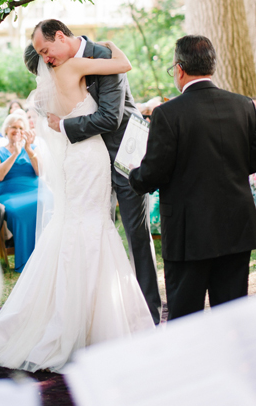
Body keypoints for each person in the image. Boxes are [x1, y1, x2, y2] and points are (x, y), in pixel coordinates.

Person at [0, 35, 154, 372]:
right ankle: (95, 318)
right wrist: (114, 46)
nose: (50, 57)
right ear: (47, 59)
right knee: (95, 227)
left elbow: (60, 131)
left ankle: (73, 313)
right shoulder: (73, 67)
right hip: (92, 157)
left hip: (77, 161)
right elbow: (121, 67)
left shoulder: (39, 97)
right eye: (45, 54)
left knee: (79, 226)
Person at [31, 19, 162, 324]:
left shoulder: (104, 56)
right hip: (87, 164)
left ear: (61, 36)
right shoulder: (58, 68)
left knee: (136, 237)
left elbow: (110, 118)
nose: (45, 59)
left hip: (123, 159)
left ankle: (148, 315)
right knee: (92, 236)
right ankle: (96, 314)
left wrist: (63, 125)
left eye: (46, 50)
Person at [130, 36, 256, 321]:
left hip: (187, 232)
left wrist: (133, 176)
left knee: (185, 316)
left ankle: (189, 366)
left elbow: (154, 172)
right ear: (212, 66)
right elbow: (252, 164)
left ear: (179, 69)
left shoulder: (167, 114)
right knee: (233, 315)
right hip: (235, 228)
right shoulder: (245, 106)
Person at [0, 111, 39, 272]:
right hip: (10, 194)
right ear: (6, 130)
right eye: (14, 127)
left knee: (46, 201)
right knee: (19, 211)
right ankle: (26, 260)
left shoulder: (33, 148)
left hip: (34, 189)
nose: (17, 130)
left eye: (21, 127)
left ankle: (45, 258)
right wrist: (15, 153)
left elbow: (40, 172)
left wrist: (28, 150)